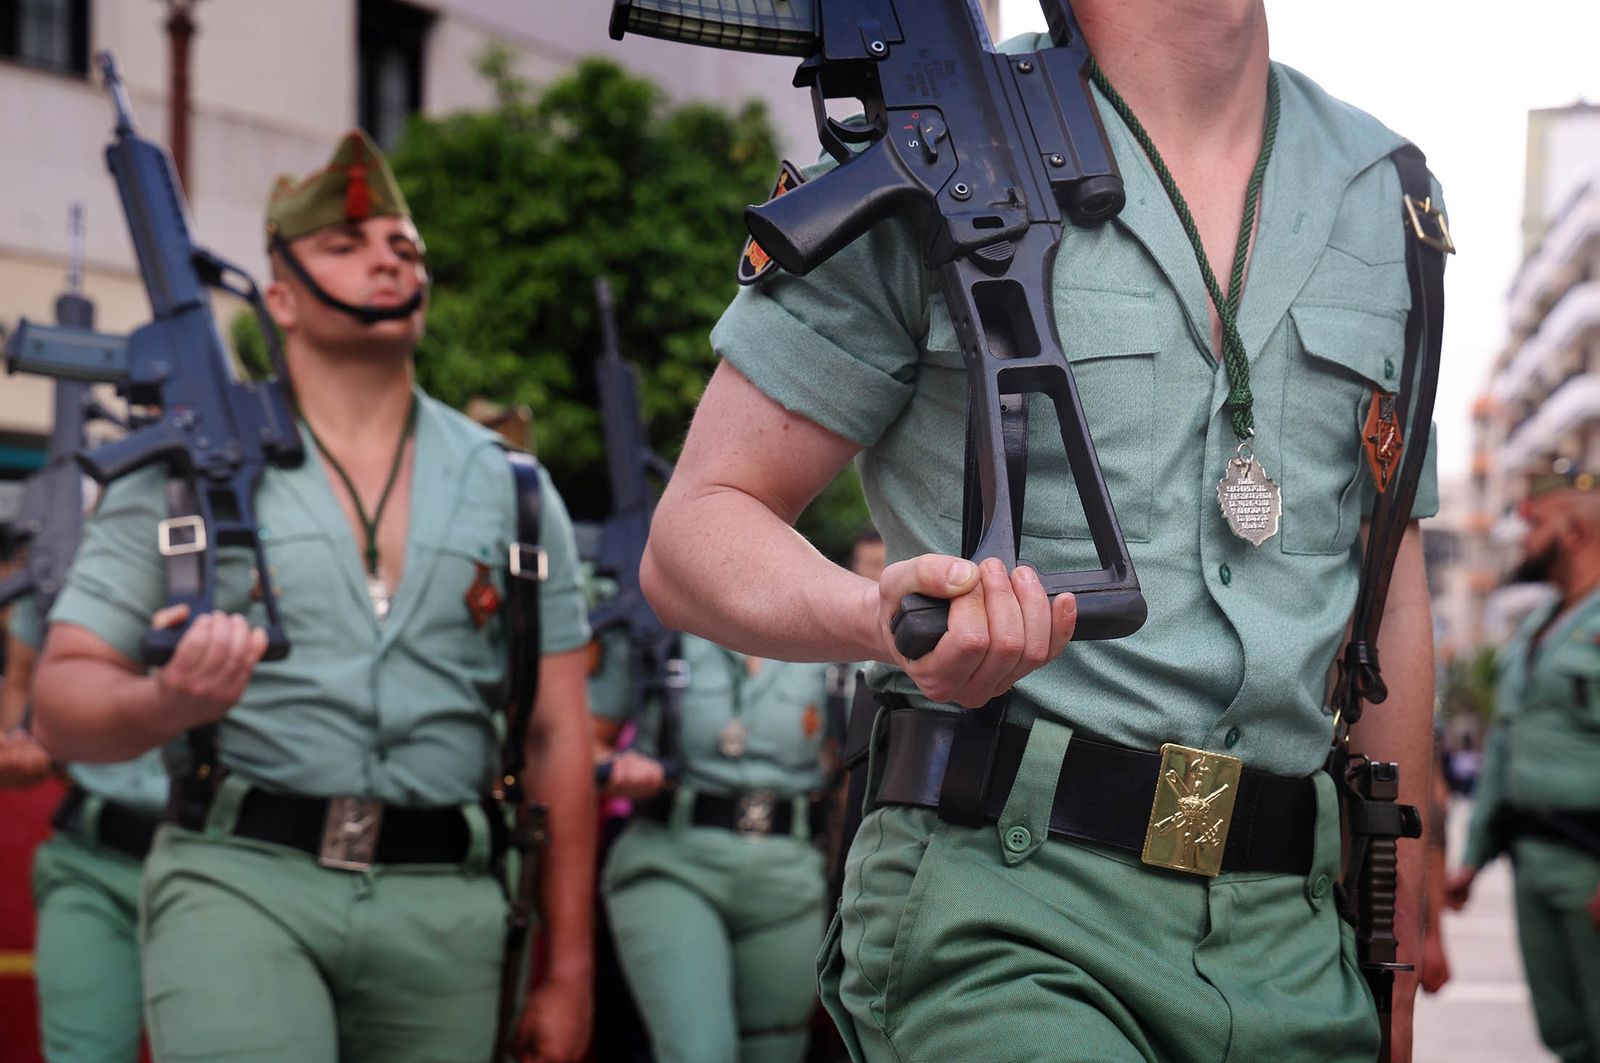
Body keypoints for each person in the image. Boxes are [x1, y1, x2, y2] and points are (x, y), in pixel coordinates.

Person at [639, 3, 1441, 1060]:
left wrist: (1395, 917)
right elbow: (696, 529)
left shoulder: (1385, 195)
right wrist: (878, 619)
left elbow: (1385, 585)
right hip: (1009, 905)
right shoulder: (933, 137)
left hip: (1292, 933)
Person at [29, 130, 595, 1063]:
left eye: (403, 246)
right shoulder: (186, 469)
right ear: (280, 295)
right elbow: (64, 700)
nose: (385, 257)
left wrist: (569, 969)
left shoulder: (517, 489)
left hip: (450, 908)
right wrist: (165, 701)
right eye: (347, 243)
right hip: (241, 879)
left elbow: (556, 734)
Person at [593, 611, 834, 1063]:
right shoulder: (652, 623)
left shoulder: (828, 629)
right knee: (699, 1052)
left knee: (778, 1053)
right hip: (671, 861)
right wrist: (617, 768)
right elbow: (580, 741)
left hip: (790, 877)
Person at [1448, 462, 1600, 1063]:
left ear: (1573, 532)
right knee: (1564, 1031)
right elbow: (1505, 749)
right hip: (1532, 860)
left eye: (1533, 527)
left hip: (1590, 863)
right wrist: (1473, 857)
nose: (1522, 542)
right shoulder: (1539, 626)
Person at [1, 593, 166, 1063]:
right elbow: (20, 675)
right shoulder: (69, 554)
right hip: (94, 857)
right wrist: (22, 744)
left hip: (236, 856)